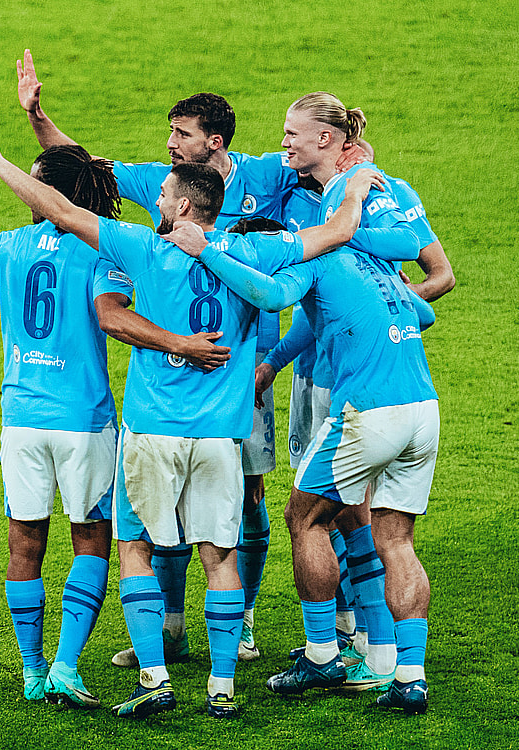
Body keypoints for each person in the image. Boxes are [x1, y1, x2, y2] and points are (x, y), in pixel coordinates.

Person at [0, 103, 381, 719]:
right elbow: (338, 232)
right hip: (220, 436)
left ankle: (155, 679)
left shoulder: (144, 249)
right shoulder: (255, 250)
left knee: (134, 547)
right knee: (220, 554)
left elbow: (62, 210)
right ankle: (223, 687)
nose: (154, 199)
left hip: (152, 431)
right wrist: (357, 180)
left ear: (184, 205)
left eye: (162, 194)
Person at [0, 145, 230, 709]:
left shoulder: (7, 245)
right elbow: (114, 315)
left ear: (52, 193)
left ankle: (32, 671)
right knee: (92, 542)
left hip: (21, 422)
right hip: (84, 422)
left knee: (25, 542)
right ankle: (65, 667)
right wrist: (179, 342)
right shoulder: (102, 248)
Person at [172, 92, 440, 715]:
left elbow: (271, 296)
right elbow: (423, 310)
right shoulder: (376, 258)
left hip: (366, 411)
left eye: (294, 133)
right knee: (395, 538)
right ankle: (407, 673)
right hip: (422, 409)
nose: (284, 142)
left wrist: (207, 251)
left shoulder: (319, 250)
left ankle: (322, 655)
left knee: (304, 517)